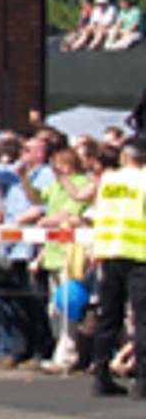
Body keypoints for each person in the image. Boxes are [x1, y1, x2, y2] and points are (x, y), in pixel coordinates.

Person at [89, 139, 146, 397]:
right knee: (142, 319)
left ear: (125, 156)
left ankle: (101, 376)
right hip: (140, 255)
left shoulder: (109, 181)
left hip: (110, 252)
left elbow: (101, 213)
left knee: (108, 317)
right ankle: (142, 381)